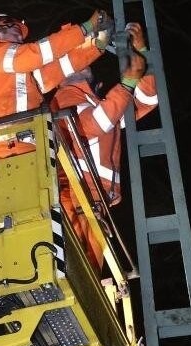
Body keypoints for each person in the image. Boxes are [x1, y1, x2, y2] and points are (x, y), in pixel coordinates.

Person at [48, 22, 158, 272]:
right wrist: (128, 83)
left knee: (85, 280)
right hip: (74, 198)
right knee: (75, 277)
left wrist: (140, 51)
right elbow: (89, 125)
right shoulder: (63, 97)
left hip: (91, 202)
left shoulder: (95, 100)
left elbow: (147, 100)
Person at [0, 10, 114, 126]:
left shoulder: (14, 71)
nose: (21, 39)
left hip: (14, 140)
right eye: (16, 32)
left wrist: (97, 45)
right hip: (1, 139)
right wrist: (86, 27)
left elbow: (59, 68)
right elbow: (37, 53)